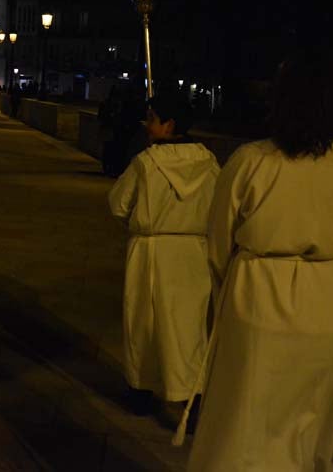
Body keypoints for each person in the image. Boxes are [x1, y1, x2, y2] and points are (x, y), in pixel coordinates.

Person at [186, 49, 333, 470]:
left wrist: (233, 285)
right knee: (314, 417)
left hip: (259, 298)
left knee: (245, 419)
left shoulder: (251, 161)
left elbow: (218, 243)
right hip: (332, 300)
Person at [108, 92, 219, 421]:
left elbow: (117, 205)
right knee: (188, 324)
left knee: (143, 322)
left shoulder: (146, 163)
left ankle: (141, 389)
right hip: (193, 253)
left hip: (151, 250)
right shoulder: (210, 163)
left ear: (168, 125)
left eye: (153, 118)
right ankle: (191, 395)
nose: (148, 124)